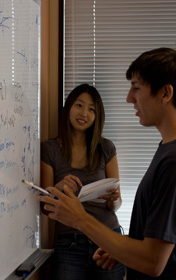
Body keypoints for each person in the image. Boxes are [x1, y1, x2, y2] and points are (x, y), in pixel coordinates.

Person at [39, 47, 176, 279]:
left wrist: (80, 219)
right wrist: (120, 248)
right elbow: (162, 238)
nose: (129, 97)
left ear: (165, 93)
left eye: (136, 87)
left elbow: (153, 262)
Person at [41, 83, 125, 280]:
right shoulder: (50, 149)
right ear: (69, 107)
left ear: (97, 116)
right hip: (69, 242)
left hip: (107, 238)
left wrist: (113, 200)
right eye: (79, 105)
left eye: (91, 109)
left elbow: (116, 203)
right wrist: (57, 189)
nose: (84, 113)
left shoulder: (106, 148)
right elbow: (45, 209)